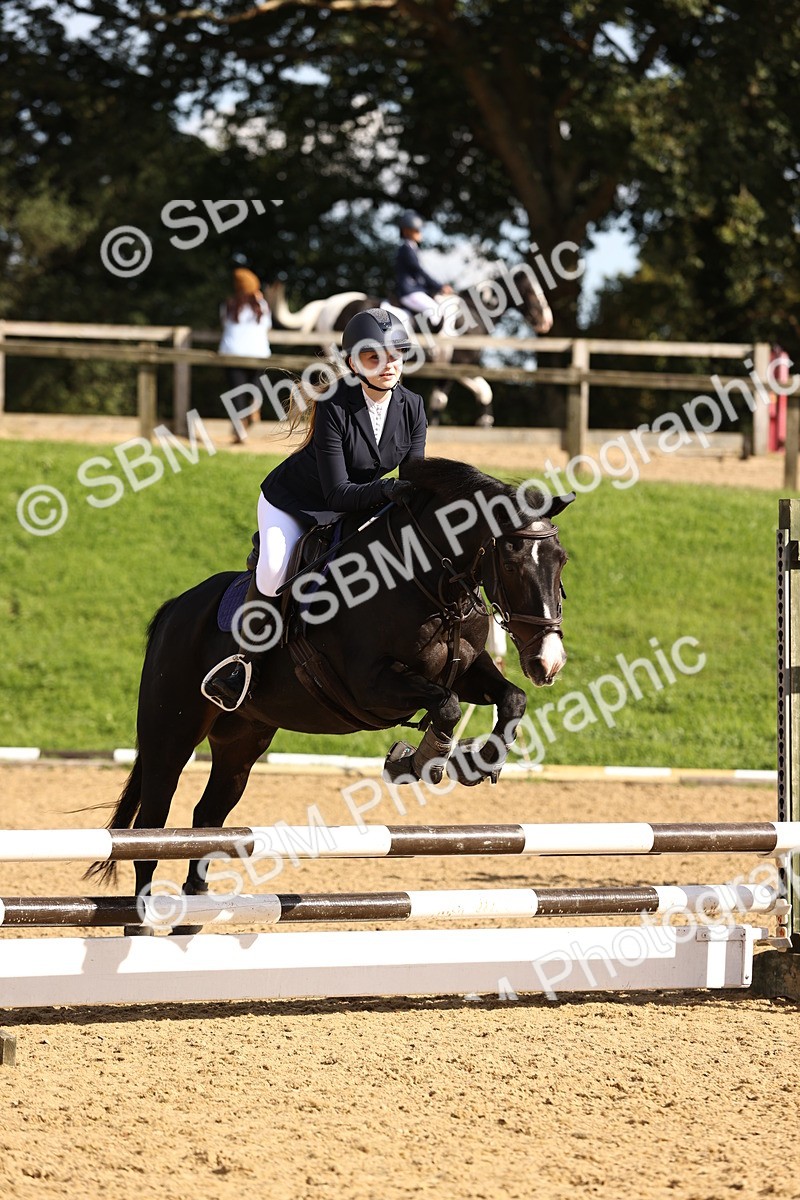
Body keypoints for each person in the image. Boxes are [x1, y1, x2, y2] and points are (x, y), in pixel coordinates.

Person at [201, 307, 428, 711]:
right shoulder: (334, 405)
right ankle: (241, 664)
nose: (388, 365)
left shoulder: (413, 406)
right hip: (296, 503)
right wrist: (392, 490)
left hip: (361, 502)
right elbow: (338, 493)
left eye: (396, 354)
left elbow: (413, 480)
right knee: (273, 573)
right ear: (355, 363)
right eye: (374, 357)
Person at [219, 267, 272, 443]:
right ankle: (254, 408)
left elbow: (224, 324)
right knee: (255, 388)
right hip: (258, 353)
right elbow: (267, 326)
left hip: (233, 353)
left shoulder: (228, 304)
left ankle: (240, 432)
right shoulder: (262, 305)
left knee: (236, 393)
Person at [395, 210, 453, 323]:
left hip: (417, 289)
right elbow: (419, 271)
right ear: (406, 231)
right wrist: (439, 287)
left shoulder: (413, 248)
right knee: (435, 310)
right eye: (416, 230)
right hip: (409, 291)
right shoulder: (406, 249)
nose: (419, 233)